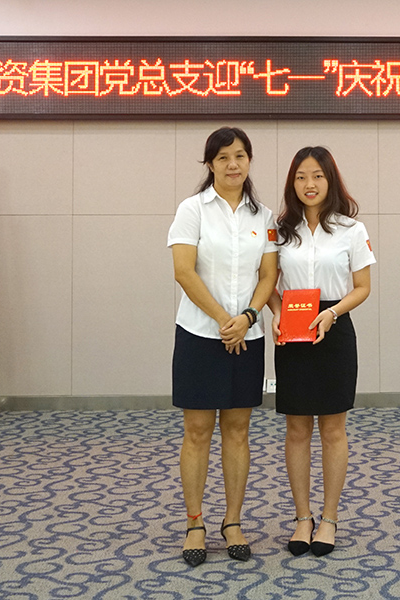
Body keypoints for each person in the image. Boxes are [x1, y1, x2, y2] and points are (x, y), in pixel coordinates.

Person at [167, 127, 277, 567]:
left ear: (249, 161)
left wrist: (247, 317)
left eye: (241, 156)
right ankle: (195, 523)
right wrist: (221, 318)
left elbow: (268, 275)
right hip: (199, 334)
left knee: (238, 430)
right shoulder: (191, 209)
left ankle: (232, 521)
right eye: (224, 157)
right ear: (210, 163)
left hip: (247, 337)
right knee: (197, 431)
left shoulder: (263, 216)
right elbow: (183, 271)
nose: (233, 164)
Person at [268, 146, 375, 557]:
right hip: (293, 331)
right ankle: (302, 517)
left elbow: (362, 288)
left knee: (333, 430)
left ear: (330, 180)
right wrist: (277, 312)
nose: (309, 184)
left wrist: (332, 313)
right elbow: (269, 283)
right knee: (296, 430)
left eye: (317, 176)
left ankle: (329, 518)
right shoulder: (281, 230)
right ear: (292, 183)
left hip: (334, 328)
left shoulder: (351, 229)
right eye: (300, 177)